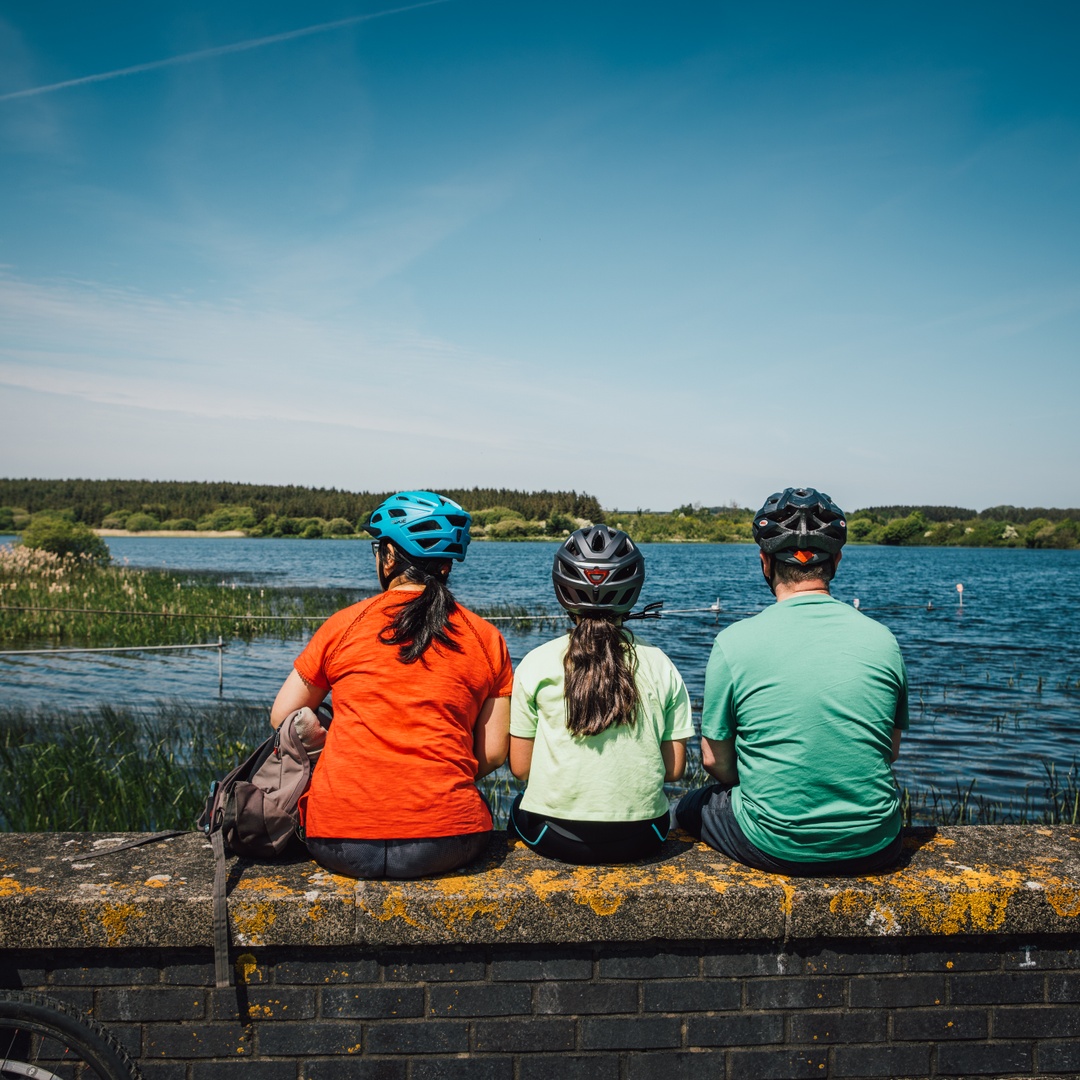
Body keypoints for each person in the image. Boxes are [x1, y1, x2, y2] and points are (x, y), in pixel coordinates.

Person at [270, 491, 513, 879]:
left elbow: (284, 717)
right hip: (447, 840)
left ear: (387, 556)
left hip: (336, 839)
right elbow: (496, 754)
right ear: (447, 566)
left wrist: (343, 760)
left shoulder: (343, 624)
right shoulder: (485, 637)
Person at [676, 487, 908, 875]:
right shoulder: (884, 639)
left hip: (774, 846)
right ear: (836, 561)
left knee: (687, 806)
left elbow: (715, 760)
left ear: (765, 562)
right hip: (877, 843)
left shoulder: (734, 642)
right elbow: (889, 751)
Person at [508, 525, 694, 865]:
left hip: (554, 837)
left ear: (562, 588)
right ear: (632, 589)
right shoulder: (662, 664)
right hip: (643, 838)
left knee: (515, 807)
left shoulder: (535, 662)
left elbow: (520, 768)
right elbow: (674, 769)